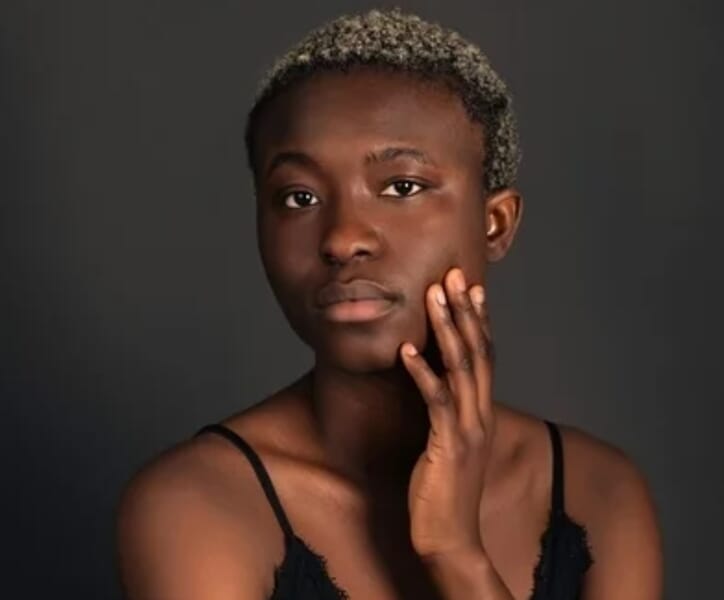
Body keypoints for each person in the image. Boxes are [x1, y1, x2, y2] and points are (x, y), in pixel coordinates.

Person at [116, 8, 662, 600]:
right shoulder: (196, 505)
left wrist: (455, 553)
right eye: (299, 196)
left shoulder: (597, 493)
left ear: (495, 224)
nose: (342, 237)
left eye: (402, 187)